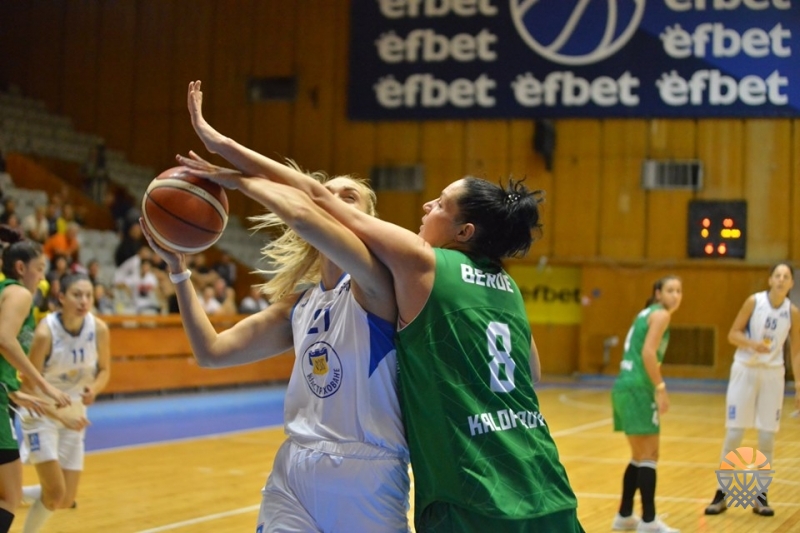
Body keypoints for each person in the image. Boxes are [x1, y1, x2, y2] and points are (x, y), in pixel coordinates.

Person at [181, 79, 582, 532]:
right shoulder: (504, 285)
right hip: (530, 467)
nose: (426, 205)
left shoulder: (409, 270)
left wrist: (227, 157)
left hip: (450, 482)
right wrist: (179, 271)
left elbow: (309, 208)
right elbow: (531, 373)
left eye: (440, 204)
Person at [140, 155, 410, 532]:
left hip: (366, 478)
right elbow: (211, 352)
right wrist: (179, 272)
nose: (331, 201)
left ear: (369, 220)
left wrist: (239, 174)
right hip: (294, 473)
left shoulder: (378, 287)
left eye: (348, 197)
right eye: (324, 194)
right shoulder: (300, 305)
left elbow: (303, 218)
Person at [704, 263, 799, 517]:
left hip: (773, 375)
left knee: (767, 438)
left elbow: (796, 351)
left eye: (786, 276)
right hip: (745, 370)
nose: (781, 280)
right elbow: (732, 334)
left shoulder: (792, 312)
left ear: (791, 283)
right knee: (734, 434)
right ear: (770, 280)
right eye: (777, 275)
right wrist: (752, 344)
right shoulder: (754, 302)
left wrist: (799, 386)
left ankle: (761, 496)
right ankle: (721, 494)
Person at [19, 273, 111, 532]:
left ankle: (15, 492)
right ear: (61, 297)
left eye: (88, 295)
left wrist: (94, 388)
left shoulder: (99, 329)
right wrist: (61, 417)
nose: (84, 301)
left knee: (65, 498)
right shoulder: (45, 333)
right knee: (55, 493)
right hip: (41, 414)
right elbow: (27, 387)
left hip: (75, 415)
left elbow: (105, 370)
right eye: (77, 295)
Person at [0, 226, 72, 532]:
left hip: (4, 395)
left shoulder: (5, 292)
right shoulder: (18, 293)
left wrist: (16, 392)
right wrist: (44, 385)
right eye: (39, 269)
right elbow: (4, 340)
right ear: (21, 268)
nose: (42, 277)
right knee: (9, 496)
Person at [610, 276, 682, 533]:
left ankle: (624, 515)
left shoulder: (645, 314)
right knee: (650, 455)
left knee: (639, 456)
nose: (676, 295)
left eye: (679, 291)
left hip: (624, 386)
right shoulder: (661, 315)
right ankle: (649, 521)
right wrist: (660, 388)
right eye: (670, 290)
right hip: (639, 388)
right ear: (658, 293)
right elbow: (648, 353)